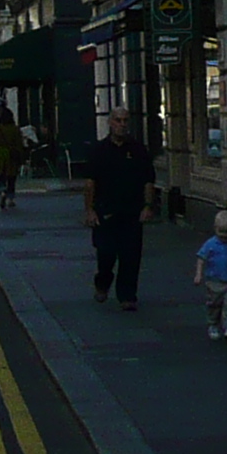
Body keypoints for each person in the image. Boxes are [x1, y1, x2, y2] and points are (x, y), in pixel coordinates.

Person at [84, 107, 157, 309]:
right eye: (118, 120)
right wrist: (89, 210)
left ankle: (127, 296)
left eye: (125, 120)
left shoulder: (138, 150)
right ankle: (103, 282)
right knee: (106, 254)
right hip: (105, 211)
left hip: (131, 212)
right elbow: (90, 183)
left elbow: (148, 181)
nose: (122, 124)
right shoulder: (99, 150)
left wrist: (148, 206)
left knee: (131, 256)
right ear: (110, 122)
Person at [194, 206, 227, 343]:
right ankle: (213, 323)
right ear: (215, 228)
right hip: (214, 281)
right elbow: (201, 258)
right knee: (214, 304)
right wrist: (198, 275)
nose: (224, 235)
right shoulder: (211, 244)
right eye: (221, 231)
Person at [0, 108, 25, 211]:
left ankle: (2, 191)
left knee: (1, 176)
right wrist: (22, 158)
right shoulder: (15, 129)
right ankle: (11, 199)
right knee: (12, 177)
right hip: (11, 155)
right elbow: (19, 144)